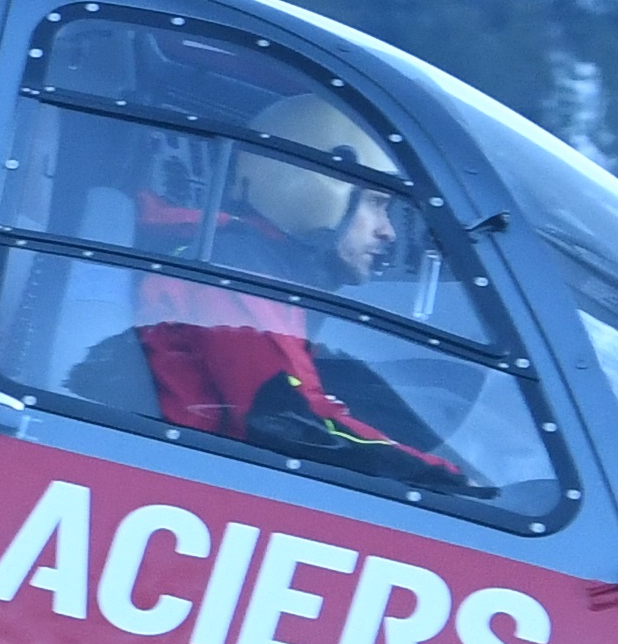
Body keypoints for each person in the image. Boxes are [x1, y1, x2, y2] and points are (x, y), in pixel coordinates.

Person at [114, 87, 476, 489]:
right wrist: (447, 483)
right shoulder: (235, 272)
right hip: (176, 484)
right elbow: (286, 418)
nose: (387, 231)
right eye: (376, 203)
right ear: (316, 189)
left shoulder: (259, 269)